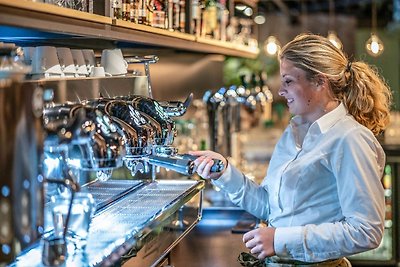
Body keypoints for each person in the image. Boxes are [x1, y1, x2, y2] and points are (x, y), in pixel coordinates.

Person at [190, 33, 392, 266]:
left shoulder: (351, 139)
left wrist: (280, 239)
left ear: (319, 81)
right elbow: (270, 207)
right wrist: (224, 173)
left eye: (288, 81)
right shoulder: (294, 132)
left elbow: (366, 232)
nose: (280, 91)